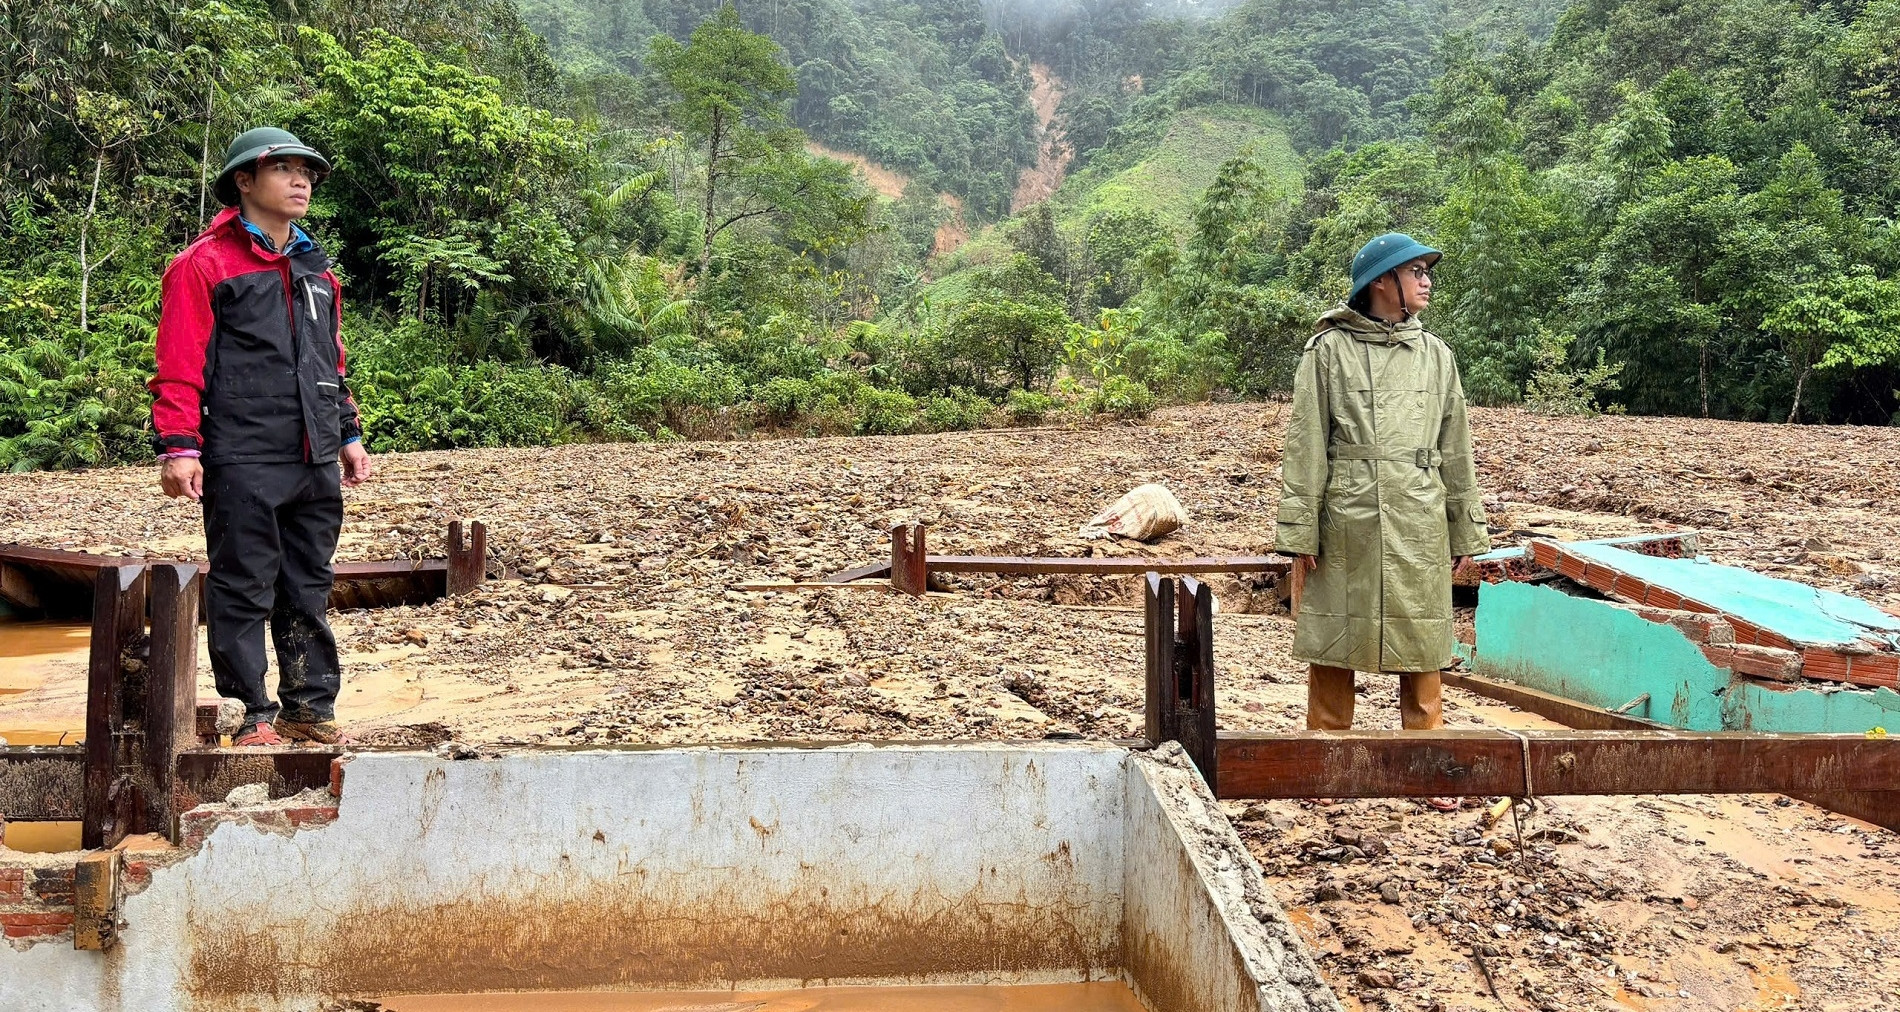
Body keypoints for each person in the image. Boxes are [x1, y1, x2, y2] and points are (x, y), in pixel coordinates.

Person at [149, 127, 372, 747]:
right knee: (243, 582)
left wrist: (347, 434)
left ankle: (309, 708)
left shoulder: (316, 270)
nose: (300, 181)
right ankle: (249, 714)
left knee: (308, 581)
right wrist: (179, 446)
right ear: (244, 182)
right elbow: (180, 361)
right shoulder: (205, 265)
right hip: (242, 452)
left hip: (313, 453)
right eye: (283, 171)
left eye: (306, 172)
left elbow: (332, 360)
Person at [1273, 233, 1491, 808]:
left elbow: (1456, 446)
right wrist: (1300, 532)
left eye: (1426, 270)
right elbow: (1307, 445)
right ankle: (1325, 760)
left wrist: (1465, 528)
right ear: (1380, 282)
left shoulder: (1437, 356)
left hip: (1419, 510)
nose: (1426, 281)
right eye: (1415, 271)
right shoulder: (1328, 352)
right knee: (1334, 633)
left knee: (1421, 637)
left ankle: (1426, 764)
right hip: (1347, 511)